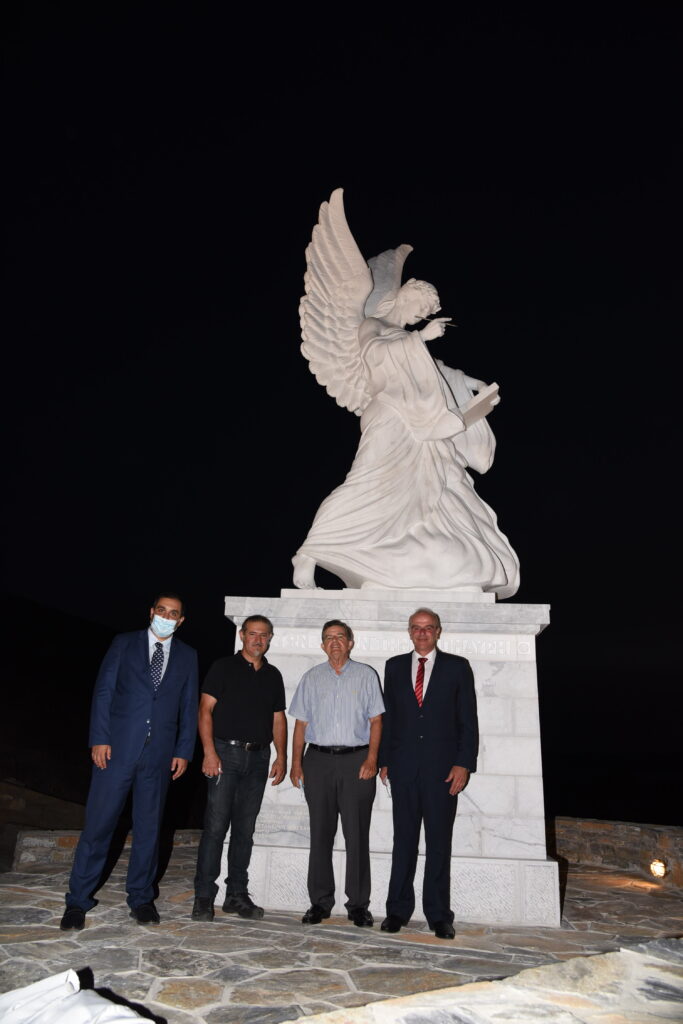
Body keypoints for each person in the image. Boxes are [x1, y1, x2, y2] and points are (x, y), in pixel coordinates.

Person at [293, 190, 519, 597]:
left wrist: (470, 385)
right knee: (368, 484)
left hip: (421, 422)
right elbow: (379, 356)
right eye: (420, 306)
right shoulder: (373, 326)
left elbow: (433, 372)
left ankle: (416, 558)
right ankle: (309, 555)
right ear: (405, 293)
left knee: (433, 489)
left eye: (426, 312)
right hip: (391, 417)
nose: (422, 315)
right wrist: (419, 338)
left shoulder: (407, 336)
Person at [60, 593, 198, 930]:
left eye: (173, 613)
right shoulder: (124, 643)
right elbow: (104, 691)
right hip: (116, 751)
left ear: (181, 621)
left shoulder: (188, 655)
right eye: (161, 610)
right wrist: (99, 738)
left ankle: (141, 898)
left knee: (149, 829)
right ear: (151, 612)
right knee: (99, 825)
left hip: (159, 755)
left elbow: (188, 706)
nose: (166, 616)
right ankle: (78, 900)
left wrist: (183, 750)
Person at [379, 607, 478, 940]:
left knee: (438, 843)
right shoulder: (393, 666)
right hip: (404, 768)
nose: (422, 633)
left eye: (428, 627)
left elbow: (468, 720)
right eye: (416, 627)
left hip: (443, 772)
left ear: (438, 631)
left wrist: (463, 763)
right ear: (409, 632)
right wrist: (385, 760)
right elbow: (389, 718)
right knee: (403, 842)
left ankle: (438, 915)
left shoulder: (457, 667)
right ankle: (397, 910)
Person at [191, 615, 287, 921]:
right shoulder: (222, 667)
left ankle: (236, 895)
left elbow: (278, 719)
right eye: (253, 634)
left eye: (264, 635)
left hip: (258, 759)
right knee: (216, 827)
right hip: (225, 755)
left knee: (245, 830)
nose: (258, 640)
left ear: (269, 639)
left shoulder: (273, 675)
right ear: (242, 635)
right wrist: (209, 752)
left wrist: (281, 756)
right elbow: (204, 710)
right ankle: (204, 896)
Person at [289, 619, 384, 927]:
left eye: (340, 637)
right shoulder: (311, 677)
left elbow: (376, 721)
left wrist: (372, 758)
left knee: (357, 835)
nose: (334, 642)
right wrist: (296, 763)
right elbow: (300, 724)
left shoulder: (366, 675)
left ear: (350, 642)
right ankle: (319, 902)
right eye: (328, 637)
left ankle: (358, 905)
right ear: (322, 645)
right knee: (320, 834)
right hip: (318, 761)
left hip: (357, 762)